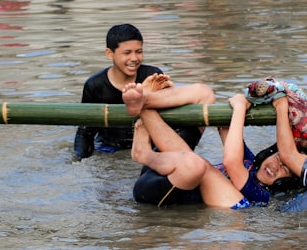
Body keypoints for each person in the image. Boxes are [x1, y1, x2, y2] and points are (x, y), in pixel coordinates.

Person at [126, 82, 301, 209]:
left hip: (160, 191)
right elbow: (225, 128)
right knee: (205, 94)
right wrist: (256, 97)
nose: (276, 166)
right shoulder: (250, 163)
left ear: (285, 183)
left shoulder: (261, 196)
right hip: (165, 165)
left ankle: (143, 149)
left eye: (285, 169)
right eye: (278, 158)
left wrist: (240, 108)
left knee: (197, 166)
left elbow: (231, 161)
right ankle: (145, 100)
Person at [72, 24, 211, 161]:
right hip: (110, 148)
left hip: (149, 144)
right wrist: (79, 160)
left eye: (139, 51)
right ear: (110, 54)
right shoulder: (95, 85)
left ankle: (142, 100)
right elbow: (85, 131)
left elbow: (168, 118)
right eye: (127, 53)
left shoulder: (152, 75)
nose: (134, 58)